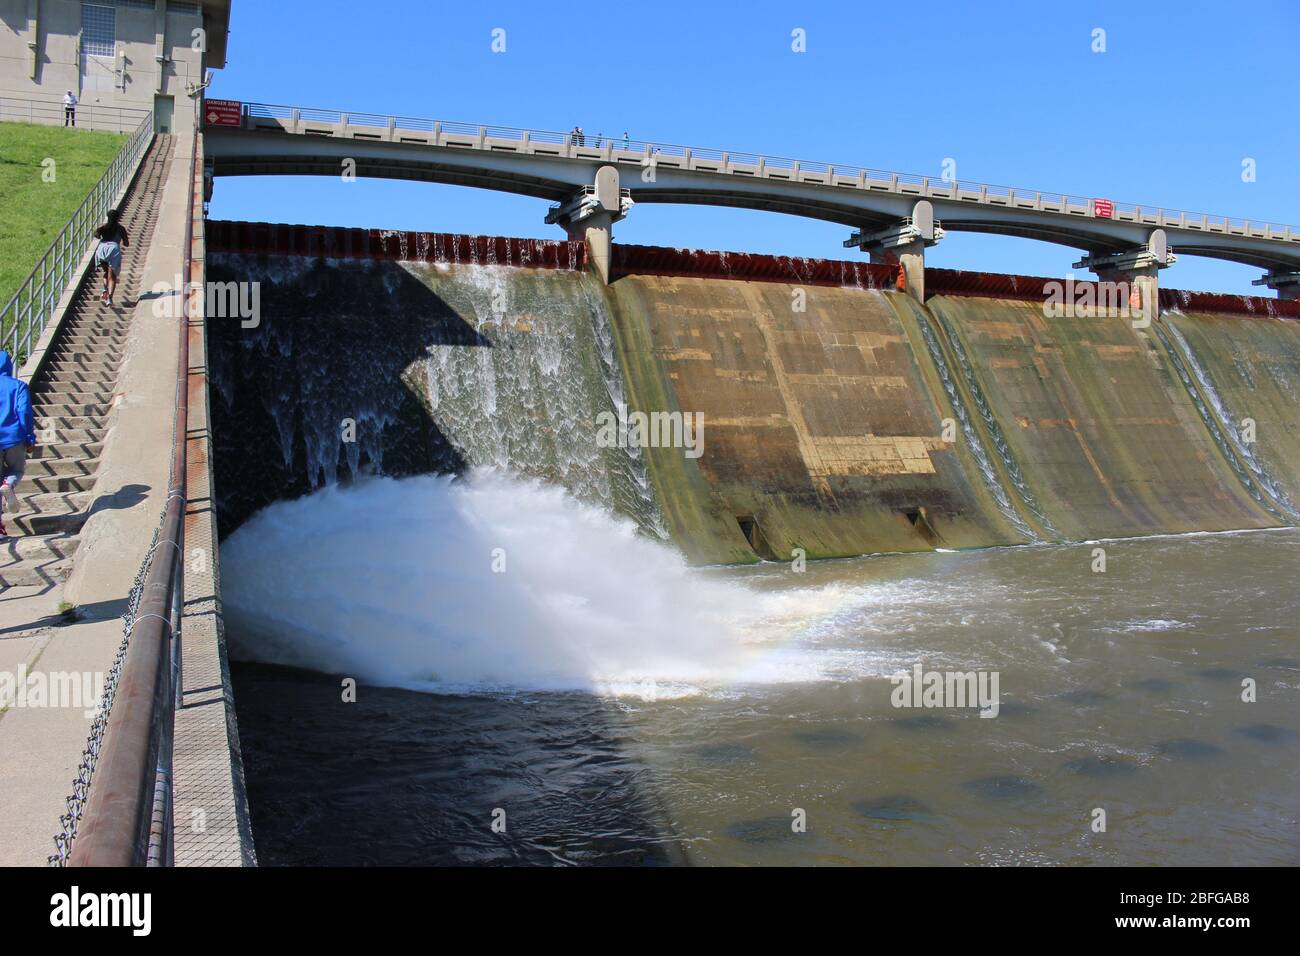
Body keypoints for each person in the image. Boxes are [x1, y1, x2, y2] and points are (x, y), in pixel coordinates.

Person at [0, 351, 35, 539]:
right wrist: (30, 438)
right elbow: (25, 414)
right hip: (14, 438)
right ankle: (9, 483)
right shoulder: (19, 386)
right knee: (17, 469)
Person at [93, 208, 130, 306]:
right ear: (118, 218)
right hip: (114, 249)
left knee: (106, 272)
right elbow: (126, 243)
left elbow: (96, 234)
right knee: (112, 276)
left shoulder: (104, 227)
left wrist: (102, 235)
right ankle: (109, 298)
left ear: (108, 217)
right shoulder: (120, 228)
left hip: (102, 249)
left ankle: (105, 289)